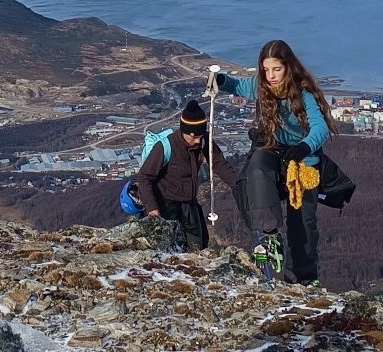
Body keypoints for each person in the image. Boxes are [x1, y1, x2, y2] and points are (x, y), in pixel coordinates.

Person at [215, 39, 337, 285]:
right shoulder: (261, 87)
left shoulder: (303, 93)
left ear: (288, 67)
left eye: (276, 69)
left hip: (303, 158)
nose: (270, 76)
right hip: (274, 149)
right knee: (257, 169)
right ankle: (270, 235)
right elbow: (237, 85)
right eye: (266, 69)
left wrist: (303, 147)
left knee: (303, 224)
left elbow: (321, 128)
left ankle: (303, 278)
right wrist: (220, 82)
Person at [134, 99, 239, 251]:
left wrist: (238, 184)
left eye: (200, 136)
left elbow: (219, 164)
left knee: (199, 245)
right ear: (183, 131)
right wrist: (152, 208)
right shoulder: (165, 147)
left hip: (188, 203)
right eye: (193, 137)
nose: (197, 141)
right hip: (165, 204)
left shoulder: (204, 141)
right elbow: (144, 176)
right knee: (167, 248)